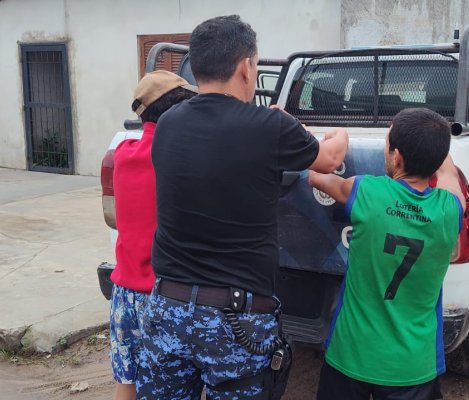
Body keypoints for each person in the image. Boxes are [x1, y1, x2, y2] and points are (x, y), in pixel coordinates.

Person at [138, 15, 349, 400]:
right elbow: (330, 158)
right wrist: (340, 131)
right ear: (246, 67)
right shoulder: (269, 128)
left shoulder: (167, 123)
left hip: (167, 309)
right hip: (237, 322)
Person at [310, 108, 466, 400]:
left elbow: (316, 177)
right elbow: (448, 172)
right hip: (411, 366)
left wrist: (338, 138)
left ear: (397, 158)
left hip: (350, 356)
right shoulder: (450, 209)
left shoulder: (365, 192)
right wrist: (434, 144)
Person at [109, 70, 197, 400]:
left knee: (126, 381)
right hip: (162, 295)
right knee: (168, 388)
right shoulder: (178, 158)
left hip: (123, 293)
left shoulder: (122, 154)